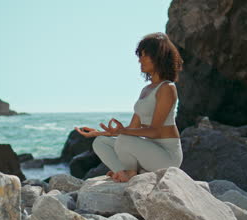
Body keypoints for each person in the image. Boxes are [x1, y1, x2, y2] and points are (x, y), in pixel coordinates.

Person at [75, 32, 183, 183]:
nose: (140, 60)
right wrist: (97, 133)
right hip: (148, 151)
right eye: (140, 55)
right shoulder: (146, 90)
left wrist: (122, 131)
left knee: (125, 139)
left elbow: (155, 130)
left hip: (166, 156)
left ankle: (130, 173)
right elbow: (133, 128)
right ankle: (125, 172)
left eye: (145, 55)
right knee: (100, 143)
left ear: (159, 57)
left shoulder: (167, 88)